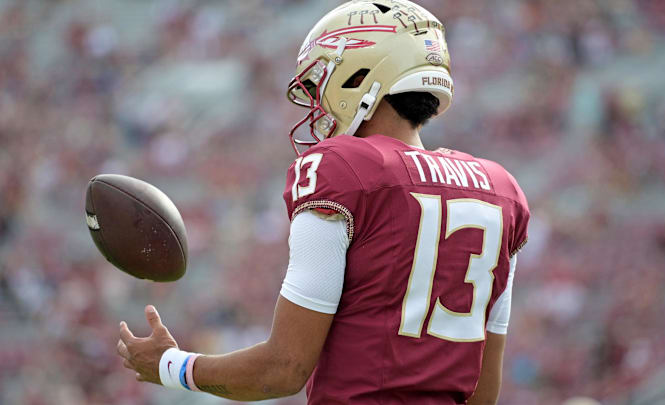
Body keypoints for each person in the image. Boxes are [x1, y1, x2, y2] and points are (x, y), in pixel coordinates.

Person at [115, 1, 530, 404]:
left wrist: (171, 366)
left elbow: (283, 369)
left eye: (320, 85)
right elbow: (481, 393)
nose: (317, 104)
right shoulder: (500, 190)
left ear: (360, 76)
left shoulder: (344, 169)